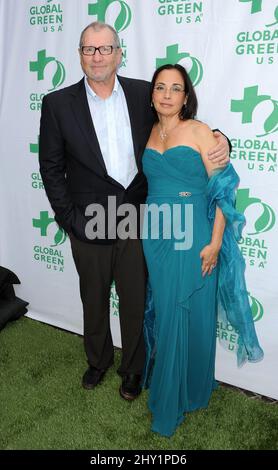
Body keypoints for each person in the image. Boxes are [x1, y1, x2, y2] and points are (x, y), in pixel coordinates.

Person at [39, 21, 230, 401]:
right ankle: (98, 361)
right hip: (87, 220)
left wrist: (223, 139)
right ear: (79, 55)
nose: (98, 56)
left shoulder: (144, 93)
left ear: (118, 53)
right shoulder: (58, 104)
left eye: (105, 49)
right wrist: (69, 220)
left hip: (138, 219)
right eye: (89, 49)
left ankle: (133, 369)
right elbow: (50, 167)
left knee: (135, 298)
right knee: (93, 298)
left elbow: (180, 127)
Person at [141, 63, 264, 437]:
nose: (166, 94)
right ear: (152, 95)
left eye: (175, 88)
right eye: (160, 87)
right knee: (168, 310)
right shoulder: (149, 130)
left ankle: (173, 398)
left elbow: (225, 192)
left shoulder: (199, 131)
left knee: (181, 308)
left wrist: (213, 243)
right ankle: (190, 385)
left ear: (186, 96)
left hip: (193, 232)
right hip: (156, 232)